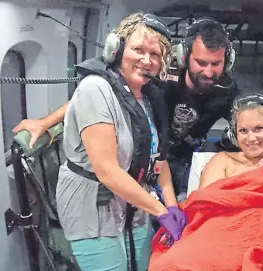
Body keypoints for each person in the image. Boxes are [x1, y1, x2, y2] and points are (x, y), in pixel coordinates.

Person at [12, 17, 263, 201]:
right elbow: (101, 95)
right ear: (184, 58)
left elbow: (251, 121)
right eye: (201, 63)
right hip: (154, 156)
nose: (209, 71)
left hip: (189, 155)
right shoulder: (159, 78)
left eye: (216, 64)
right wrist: (44, 121)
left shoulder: (226, 89)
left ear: (226, 62)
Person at [52, 13, 185, 271]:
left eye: (155, 55)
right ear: (117, 49)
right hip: (92, 209)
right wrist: (161, 212)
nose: (147, 60)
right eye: (138, 49)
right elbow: (108, 172)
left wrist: (172, 204)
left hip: (134, 206)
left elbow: (158, 160)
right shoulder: (95, 89)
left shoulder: (147, 97)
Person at [199, 93, 263, 189]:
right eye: (243, 131)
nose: (251, 138)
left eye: (258, 129)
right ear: (234, 135)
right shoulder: (221, 161)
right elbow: (206, 200)